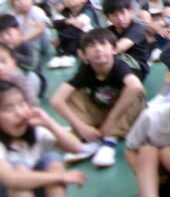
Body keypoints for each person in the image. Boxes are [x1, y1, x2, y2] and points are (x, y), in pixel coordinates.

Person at [0, 81, 88, 197]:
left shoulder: (35, 133)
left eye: (22, 104)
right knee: (19, 169)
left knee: (52, 158)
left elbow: (76, 147)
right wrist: (61, 177)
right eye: (9, 109)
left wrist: (48, 122)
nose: (19, 112)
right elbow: (12, 179)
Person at [49, 29, 146, 169]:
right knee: (72, 94)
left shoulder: (119, 65)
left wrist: (111, 119)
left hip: (126, 117)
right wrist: (81, 127)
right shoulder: (86, 69)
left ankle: (109, 142)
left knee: (135, 92)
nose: (98, 49)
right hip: (103, 113)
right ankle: (90, 138)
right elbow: (56, 100)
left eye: (103, 44)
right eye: (92, 46)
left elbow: (135, 86)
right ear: (83, 55)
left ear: (114, 49)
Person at [102, 0, 152, 81]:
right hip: (116, 64)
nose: (120, 18)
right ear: (108, 18)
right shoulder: (108, 31)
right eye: (114, 15)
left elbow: (118, 48)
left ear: (130, 11)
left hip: (137, 67)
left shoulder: (137, 28)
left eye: (122, 13)